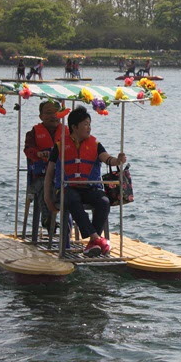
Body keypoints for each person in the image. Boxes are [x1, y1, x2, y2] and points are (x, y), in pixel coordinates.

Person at [44, 106, 126, 257]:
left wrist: (118, 160)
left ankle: (91, 244)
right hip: (67, 189)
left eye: (89, 124)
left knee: (103, 201)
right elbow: (49, 172)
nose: (89, 127)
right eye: (85, 124)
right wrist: (47, 198)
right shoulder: (60, 145)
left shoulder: (95, 144)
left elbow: (107, 158)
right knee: (71, 198)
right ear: (74, 127)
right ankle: (96, 238)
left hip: (90, 189)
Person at [24, 101, 69, 232]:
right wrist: (38, 153)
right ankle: (47, 220)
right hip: (39, 179)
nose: (53, 116)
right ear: (41, 116)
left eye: (56, 112)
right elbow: (28, 150)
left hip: (62, 178)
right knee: (46, 185)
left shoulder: (68, 132)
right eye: (48, 113)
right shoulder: (33, 133)